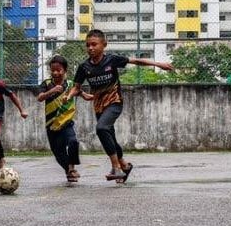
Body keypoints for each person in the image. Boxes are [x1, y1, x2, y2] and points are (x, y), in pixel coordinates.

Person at [63, 29, 173, 183]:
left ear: (104, 45)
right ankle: (125, 166)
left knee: (101, 128)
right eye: (87, 45)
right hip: (99, 107)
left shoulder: (112, 60)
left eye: (94, 44)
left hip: (115, 103)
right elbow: (77, 86)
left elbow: (136, 61)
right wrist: (69, 95)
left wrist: (158, 64)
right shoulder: (84, 67)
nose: (90, 48)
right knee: (111, 138)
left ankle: (116, 168)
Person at [36, 55, 93, 182]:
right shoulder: (46, 84)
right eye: (53, 70)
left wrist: (88, 96)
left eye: (59, 70)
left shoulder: (71, 84)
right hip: (51, 125)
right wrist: (52, 91)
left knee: (73, 142)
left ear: (65, 70)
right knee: (58, 153)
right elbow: (40, 98)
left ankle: (72, 167)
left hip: (66, 123)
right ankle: (69, 172)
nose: (56, 72)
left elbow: (80, 93)